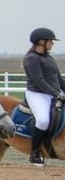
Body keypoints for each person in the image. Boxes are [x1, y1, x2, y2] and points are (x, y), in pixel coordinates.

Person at [23, 27, 62, 166]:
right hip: (37, 94)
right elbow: (39, 81)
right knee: (43, 120)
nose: (52, 43)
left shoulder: (49, 58)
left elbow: (58, 78)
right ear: (41, 41)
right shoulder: (31, 58)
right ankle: (34, 153)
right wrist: (57, 94)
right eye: (50, 40)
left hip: (51, 93)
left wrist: (62, 90)